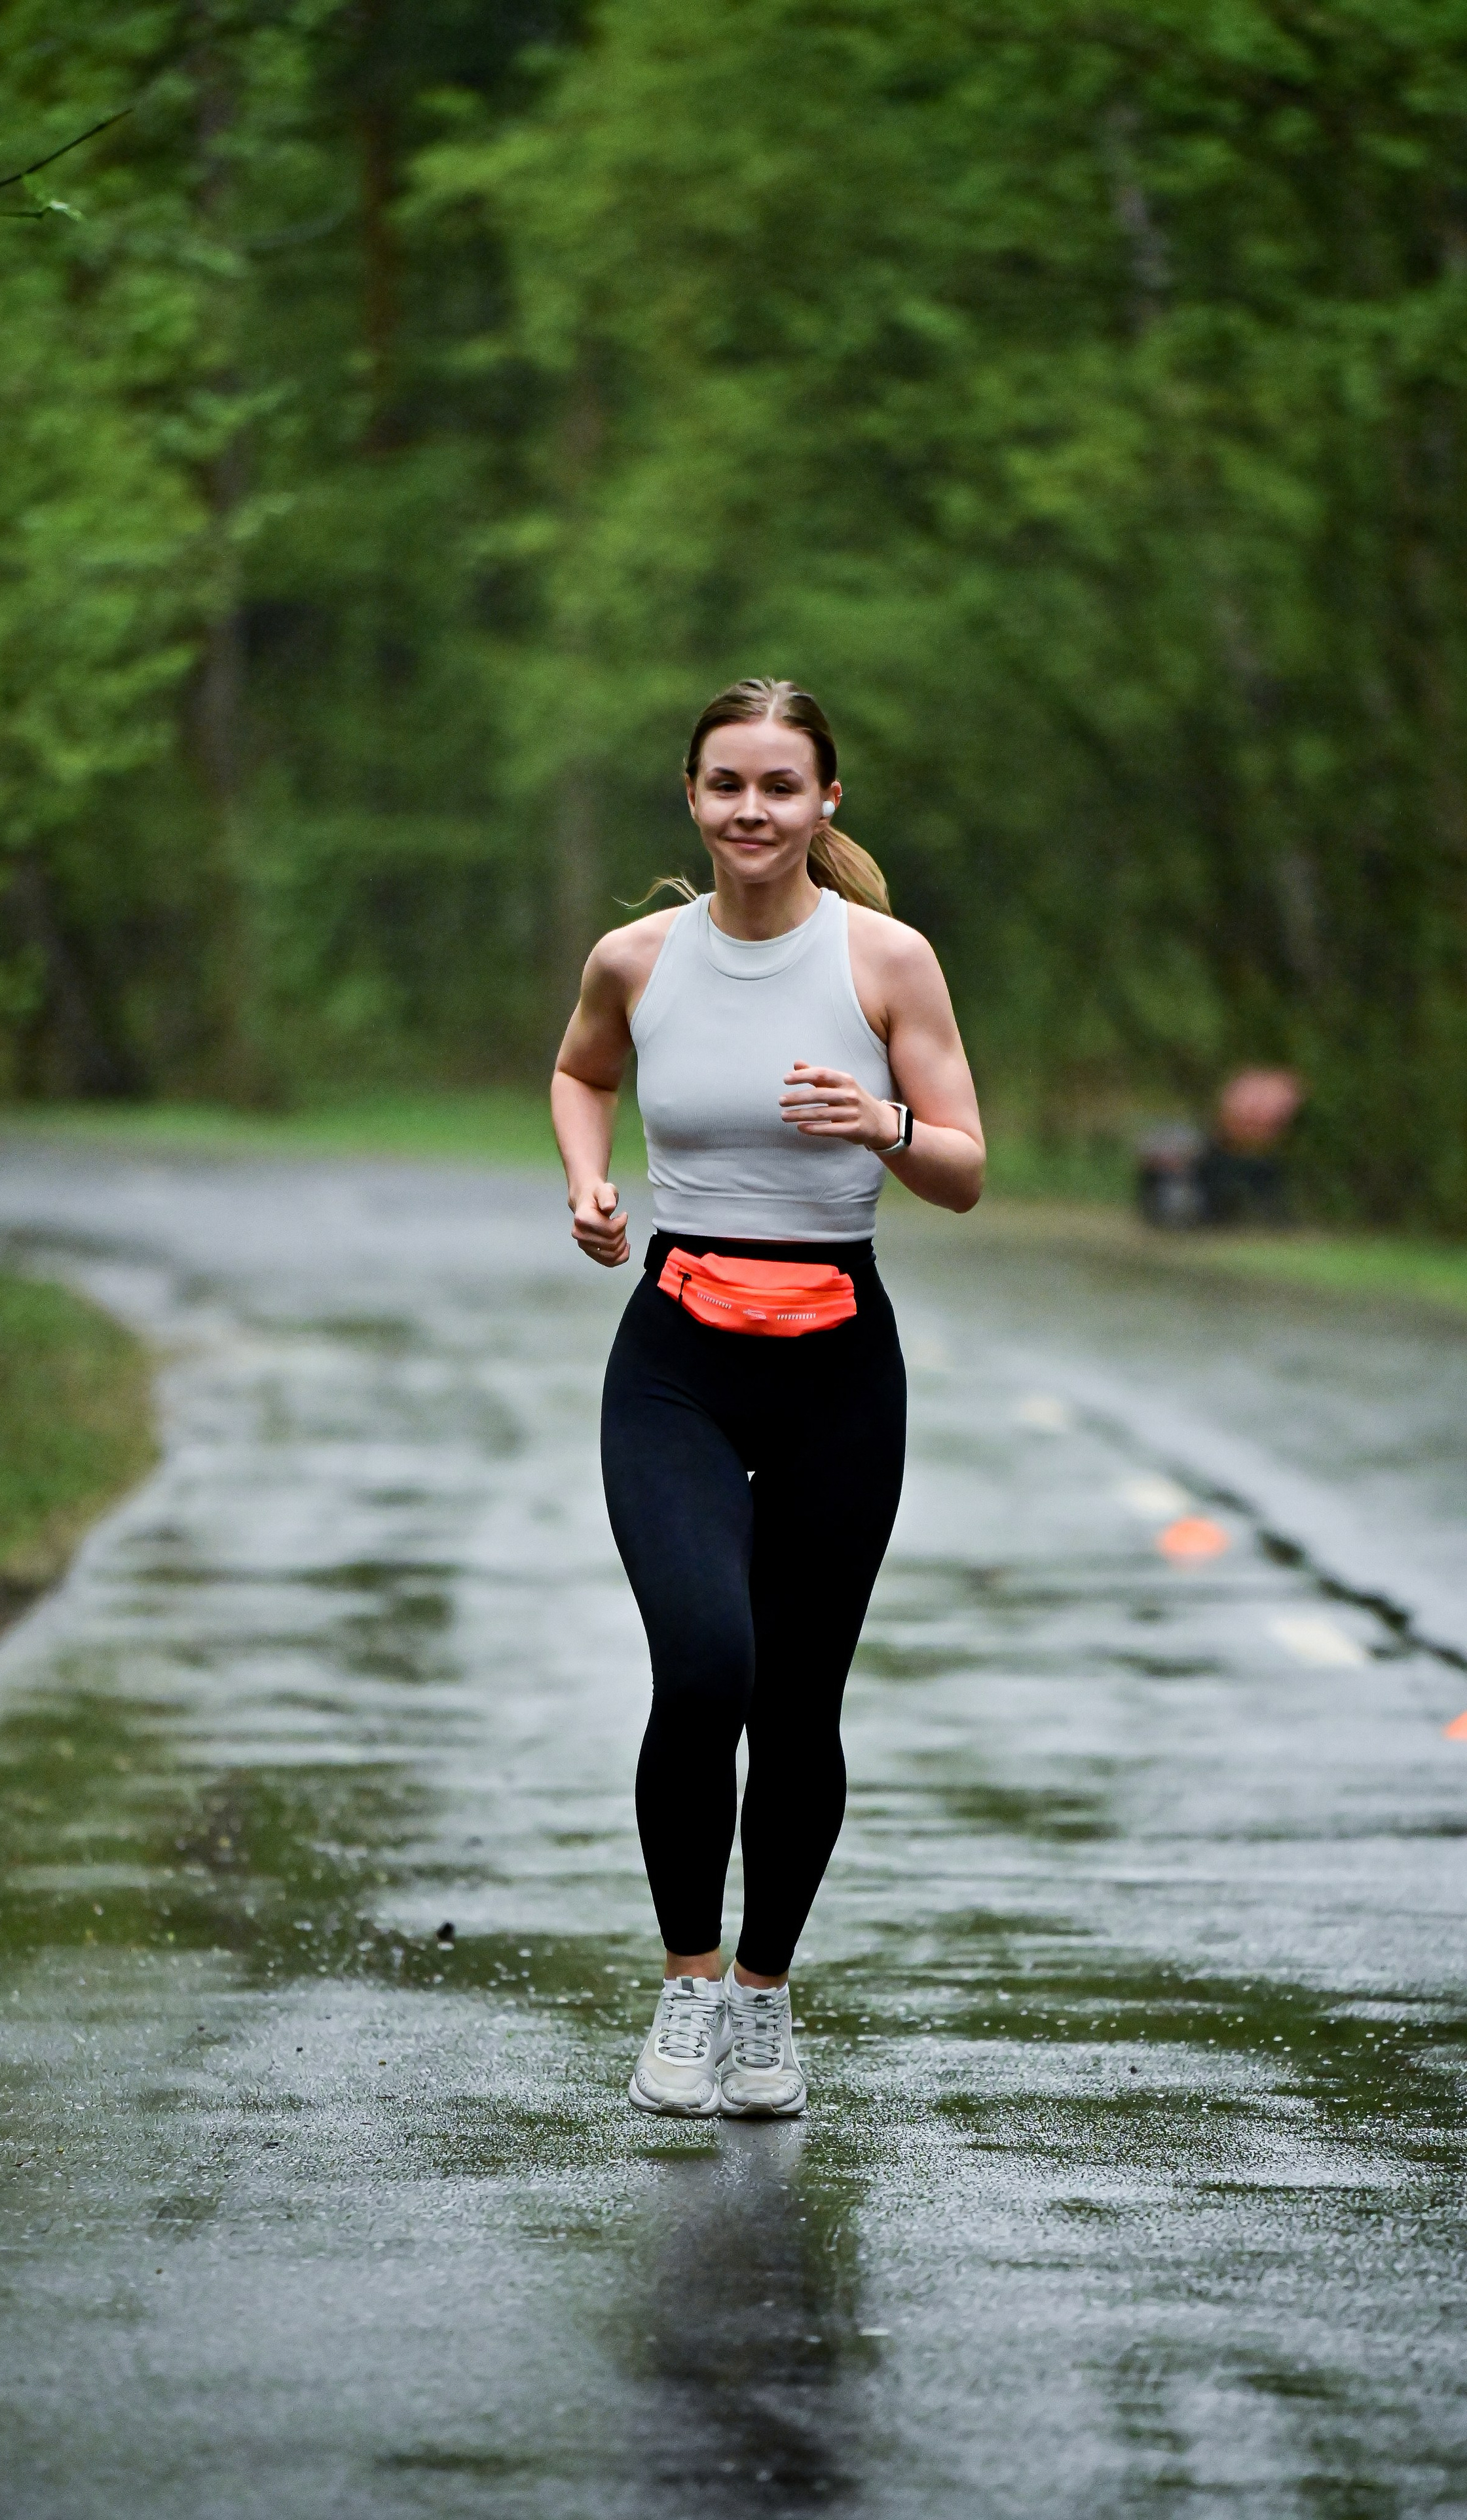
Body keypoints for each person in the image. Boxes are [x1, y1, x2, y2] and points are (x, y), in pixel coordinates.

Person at [551, 677, 986, 2117]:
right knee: (704, 1665)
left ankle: (760, 2001)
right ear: (692, 795)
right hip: (676, 1355)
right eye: (726, 784)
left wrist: (885, 1121)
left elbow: (965, 1169)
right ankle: (685, 1987)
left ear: (824, 802)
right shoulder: (636, 958)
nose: (752, 810)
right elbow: (578, 1071)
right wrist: (588, 1182)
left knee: (799, 1704)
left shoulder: (885, 960)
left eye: (780, 785)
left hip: (837, 1365)